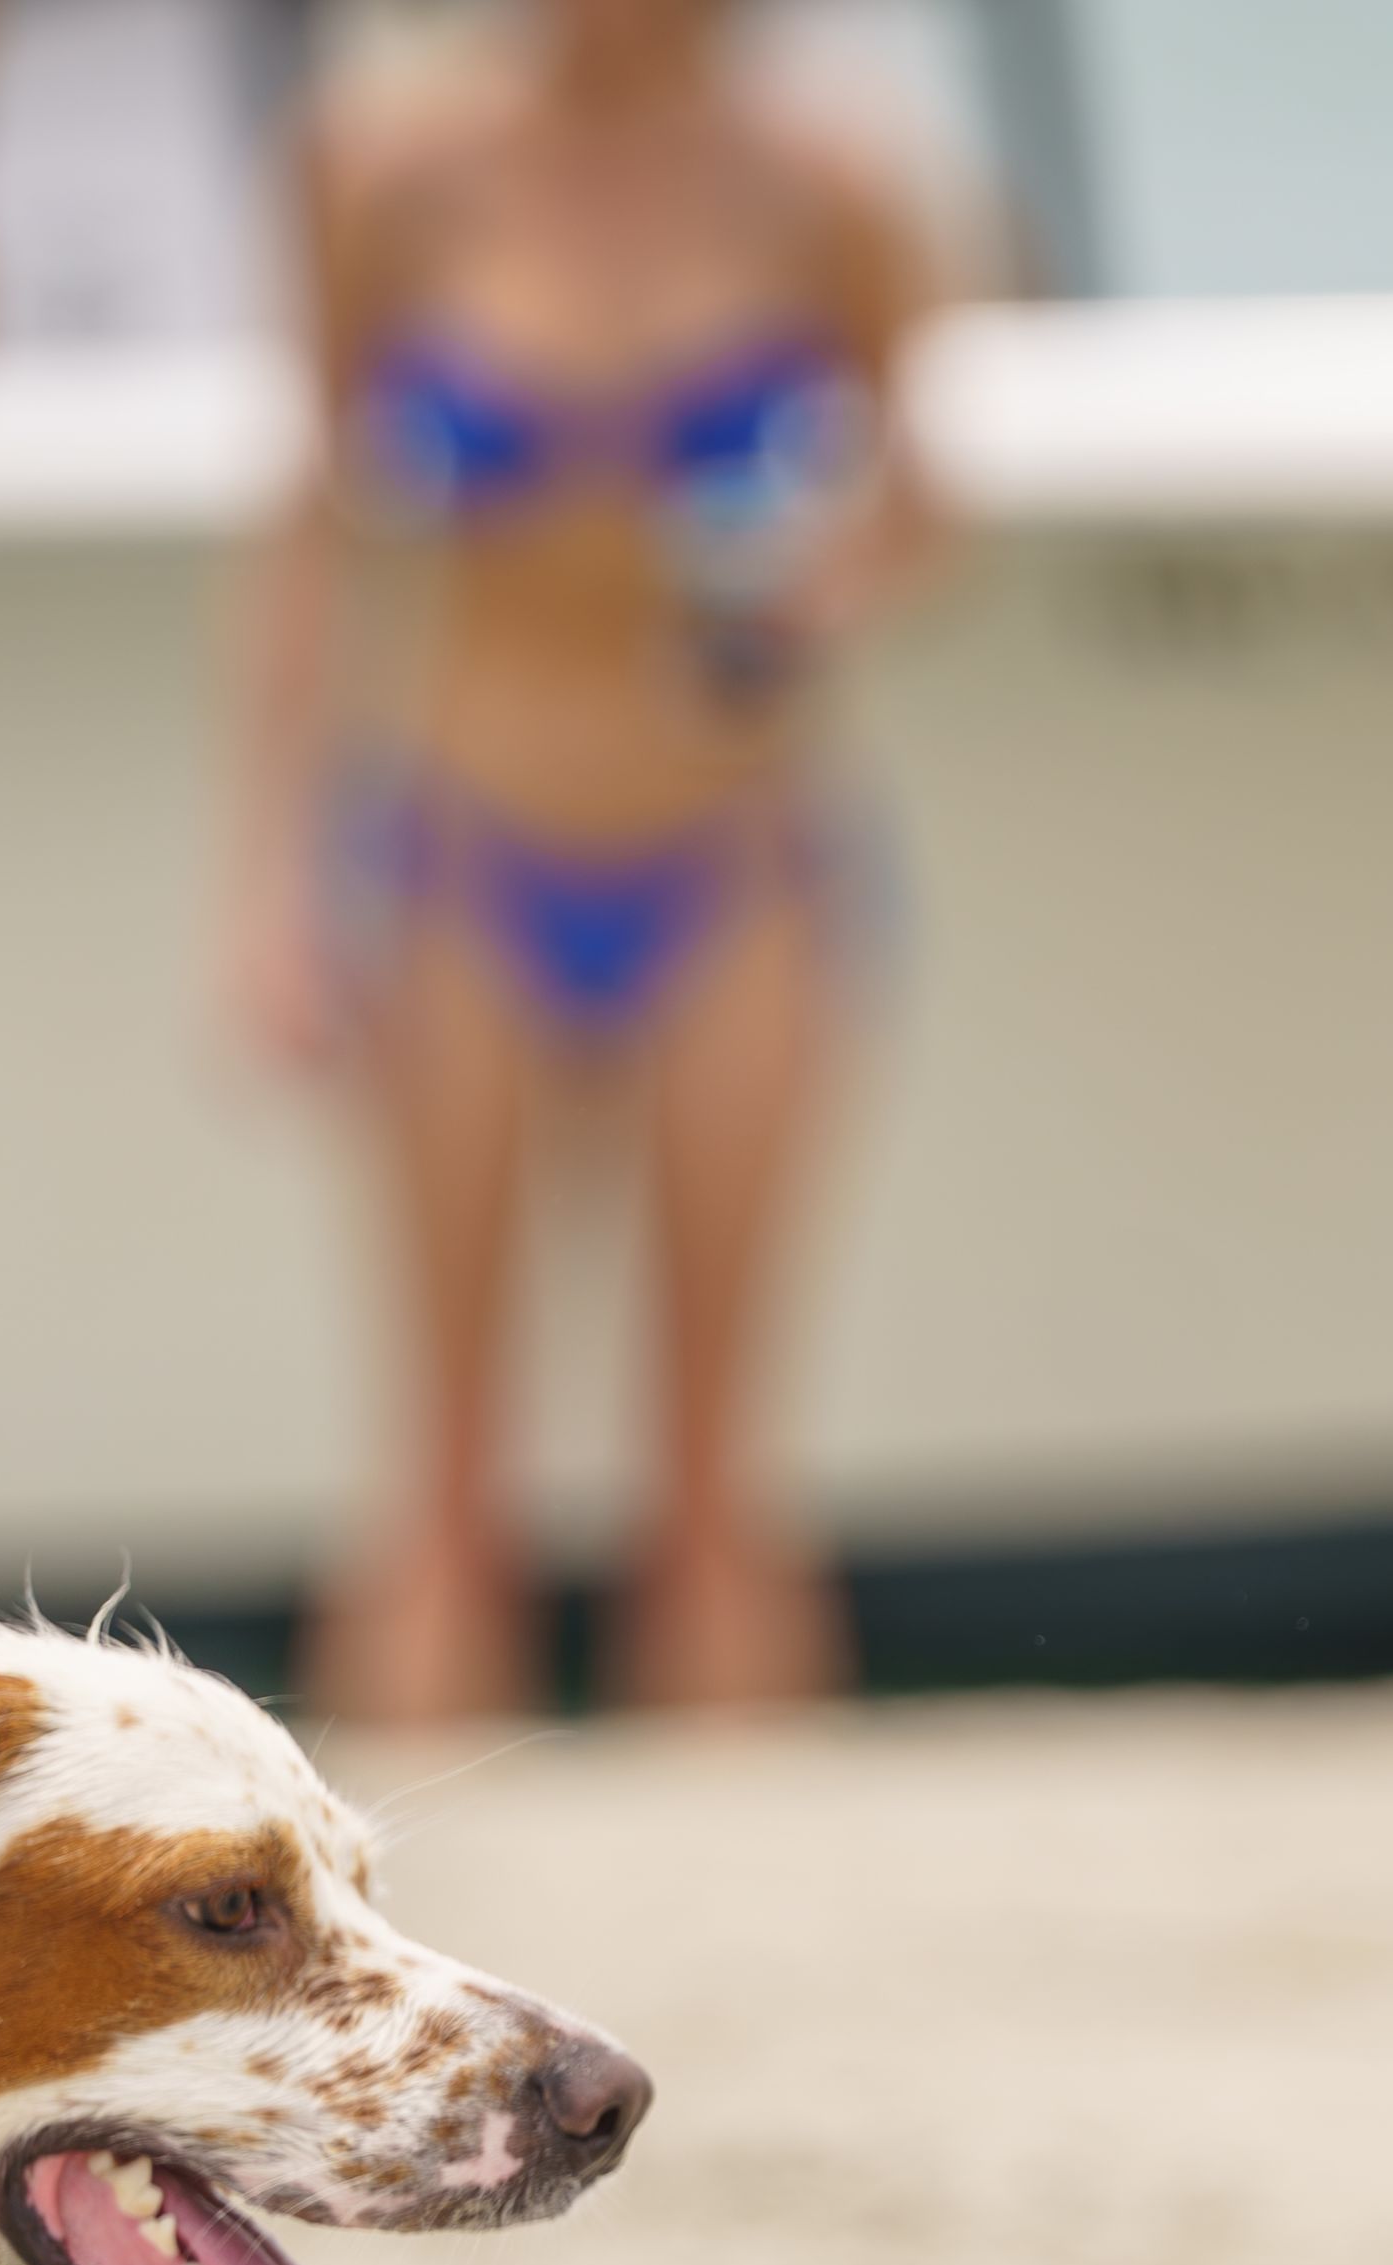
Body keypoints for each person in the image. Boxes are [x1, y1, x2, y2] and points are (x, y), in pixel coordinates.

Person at [219, 0, 939, 1734]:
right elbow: (314, 523)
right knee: (441, 1480)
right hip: (464, 844)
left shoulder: (829, 183)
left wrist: (821, 583)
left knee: (718, 1484)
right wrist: (264, 887)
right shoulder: (384, 169)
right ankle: (388, 1980)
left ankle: (753, 1935)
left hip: (740, 853)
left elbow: (918, 495)